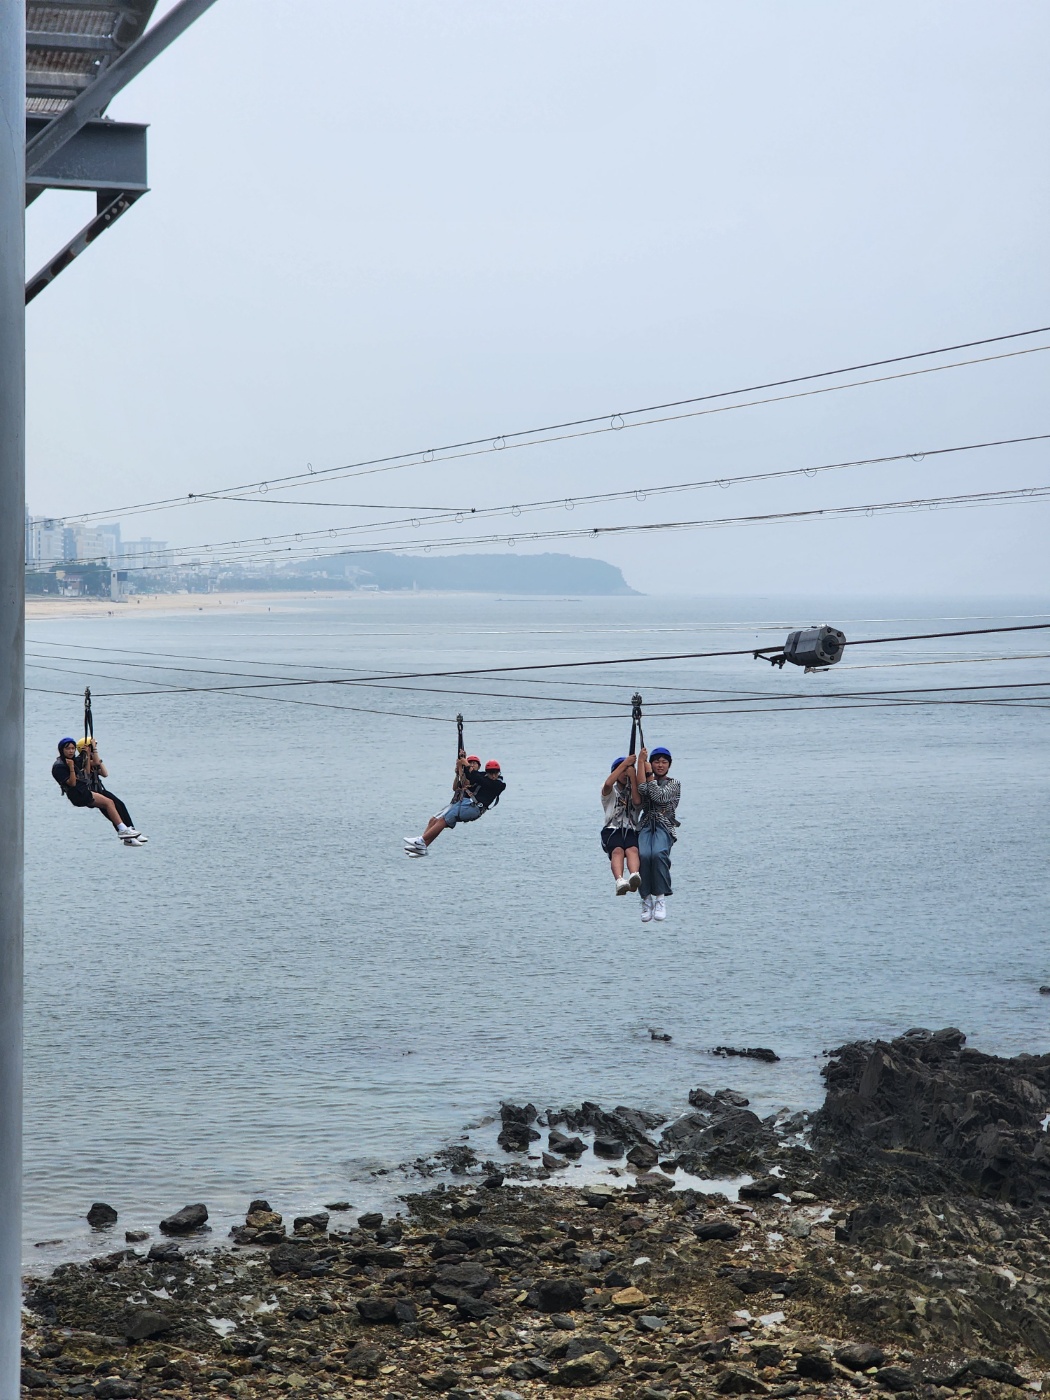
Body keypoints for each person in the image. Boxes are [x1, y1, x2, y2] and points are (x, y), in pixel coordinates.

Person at [404, 754, 505, 857]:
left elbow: (477, 778)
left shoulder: (499, 785)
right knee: (437, 821)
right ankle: (422, 846)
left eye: (495, 773)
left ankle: (421, 841)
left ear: (499, 773)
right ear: (487, 772)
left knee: (442, 821)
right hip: (466, 804)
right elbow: (470, 776)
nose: (493, 775)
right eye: (491, 773)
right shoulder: (483, 776)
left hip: (473, 808)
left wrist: (466, 764)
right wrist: (460, 766)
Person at [51, 738, 147, 846]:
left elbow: (87, 771)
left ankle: (128, 832)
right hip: (78, 794)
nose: (71, 751)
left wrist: (87, 754)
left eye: (73, 748)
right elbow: (72, 783)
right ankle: (123, 830)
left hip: (84, 791)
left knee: (116, 805)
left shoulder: (75, 761)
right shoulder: (59, 767)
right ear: (61, 750)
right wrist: (71, 768)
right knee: (109, 803)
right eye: (68, 748)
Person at [635, 745, 680, 922]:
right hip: (646, 824)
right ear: (651, 764)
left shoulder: (674, 783)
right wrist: (640, 761)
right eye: (656, 762)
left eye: (664, 762)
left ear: (669, 764)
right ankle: (646, 898)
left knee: (658, 854)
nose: (660, 765)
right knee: (644, 855)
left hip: (663, 824)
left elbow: (659, 796)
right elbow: (641, 790)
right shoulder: (647, 781)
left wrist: (649, 776)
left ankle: (660, 897)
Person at [601, 754, 642, 895]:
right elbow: (607, 784)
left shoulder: (635, 791)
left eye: (627, 772)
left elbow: (637, 802)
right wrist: (625, 764)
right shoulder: (610, 791)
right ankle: (619, 880)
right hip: (612, 829)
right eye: (622, 771)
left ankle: (634, 874)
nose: (625, 774)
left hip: (630, 828)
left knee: (632, 850)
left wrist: (633, 778)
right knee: (617, 850)